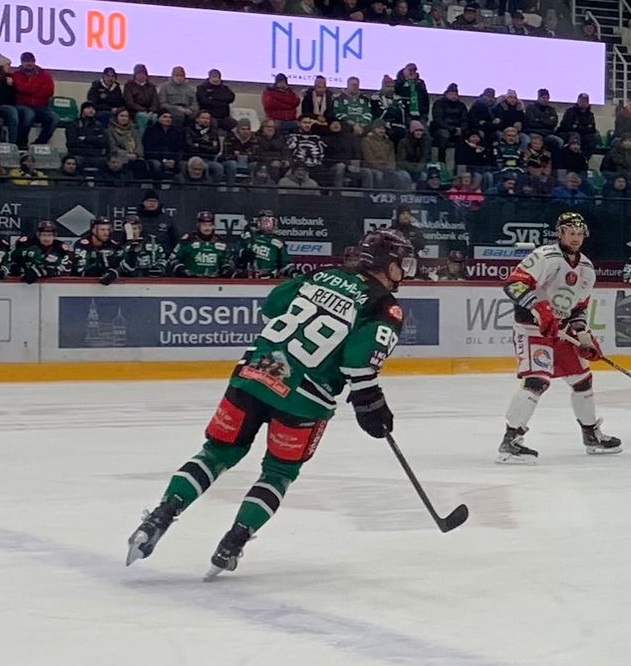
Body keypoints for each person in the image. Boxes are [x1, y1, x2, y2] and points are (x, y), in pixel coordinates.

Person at [125, 229, 415, 577]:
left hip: (257, 371)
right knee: (278, 472)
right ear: (386, 263)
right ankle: (232, 543)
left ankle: (159, 517)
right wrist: (370, 401)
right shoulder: (385, 306)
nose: (405, 270)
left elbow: (272, 305)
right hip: (305, 399)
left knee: (216, 453)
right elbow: (356, 361)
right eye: (402, 263)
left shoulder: (322, 275)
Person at [497, 211, 622, 463]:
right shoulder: (545, 256)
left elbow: (578, 309)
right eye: (570, 233)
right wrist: (539, 308)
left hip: (562, 331)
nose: (575, 238)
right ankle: (511, 440)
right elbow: (514, 284)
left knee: (582, 379)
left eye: (579, 233)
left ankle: (590, 434)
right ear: (560, 234)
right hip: (532, 328)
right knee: (537, 381)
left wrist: (584, 336)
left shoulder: (587, 268)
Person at [232, 208, 293, 280]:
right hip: (247, 278)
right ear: (259, 222)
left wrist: (293, 271)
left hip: (269, 279)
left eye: (271, 221)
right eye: (265, 221)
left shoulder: (278, 242)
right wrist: (244, 254)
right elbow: (235, 257)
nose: (268, 224)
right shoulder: (248, 237)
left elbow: (285, 264)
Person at [8, 221, 73, 281]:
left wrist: (40, 272)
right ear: (38, 236)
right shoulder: (29, 245)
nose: (46, 238)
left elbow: (66, 269)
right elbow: (14, 260)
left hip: (53, 284)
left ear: (54, 236)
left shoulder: (60, 248)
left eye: (49, 235)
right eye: (44, 235)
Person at [173, 212, 230, 277]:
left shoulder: (221, 242)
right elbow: (174, 259)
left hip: (215, 280)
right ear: (198, 225)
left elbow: (227, 260)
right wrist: (181, 269)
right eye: (204, 225)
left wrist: (226, 268)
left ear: (213, 226)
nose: (207, 228)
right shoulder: (188, 241)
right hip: (191, 279)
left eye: (210, 225)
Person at [71, 217, 122, 283]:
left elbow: (120, 266)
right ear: (94, 230)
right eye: (102, 230)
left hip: (110, 284)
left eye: (108, 230)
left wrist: (113, 272)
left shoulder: (113, 246)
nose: (106, 233)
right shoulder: (82, 244)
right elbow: (80, 269)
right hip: (81, 283)